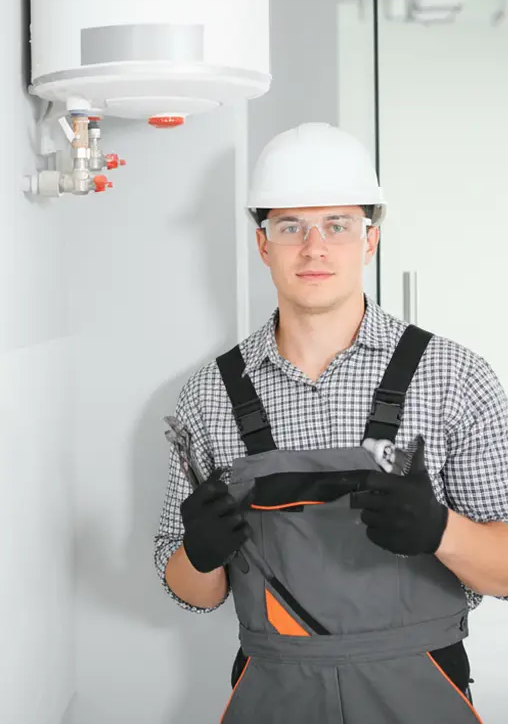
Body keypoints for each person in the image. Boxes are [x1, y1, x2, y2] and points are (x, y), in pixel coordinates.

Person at [154, 123, 508, 723]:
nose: (314, 247)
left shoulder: (454, 377)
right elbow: (192, 591)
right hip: (273, 693)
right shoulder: (210, 395)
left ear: (371, 238)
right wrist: (199, 552)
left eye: (338, 225)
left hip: (420, 689)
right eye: (290, 226)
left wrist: (441, 529)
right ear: (263, 244)